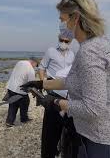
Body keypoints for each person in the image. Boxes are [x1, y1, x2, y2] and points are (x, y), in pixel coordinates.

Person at [21, 0, 110, 158]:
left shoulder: (89, 52)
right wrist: (41, 84)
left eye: (62, 19)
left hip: (102, 142)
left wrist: (56, 102)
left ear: (76, 18)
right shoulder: (98, 43)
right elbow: (73, 80)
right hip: (108, 138)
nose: (61, 24)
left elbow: (93, 109)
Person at [38, 28, 75, 158]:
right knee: (50, 129)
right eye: (61, 40)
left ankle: (62, 147)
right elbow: (42, 67)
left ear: (71, 41)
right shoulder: (51, 51)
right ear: (58, 39)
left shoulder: (72, 54)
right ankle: (49, 152)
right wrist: (44, 84)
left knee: (66, 126)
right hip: (53, 92)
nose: (63, 42)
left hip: (68, 94)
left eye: (66, 41)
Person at [4, 57, 39, 127]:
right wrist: (35, 93)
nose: (35, 67)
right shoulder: (31, 70)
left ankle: (9, 121)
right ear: (34, 62)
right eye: (36, 65)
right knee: (25, 103)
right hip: (20, 90)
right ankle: (24, 119)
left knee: (12, 105)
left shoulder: (20, 62)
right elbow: (31, 83)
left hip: (11, 87)